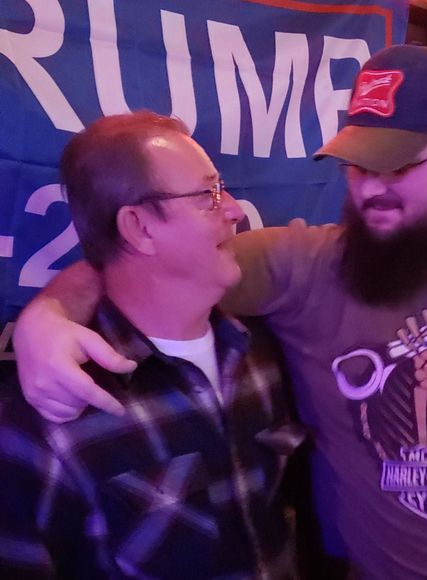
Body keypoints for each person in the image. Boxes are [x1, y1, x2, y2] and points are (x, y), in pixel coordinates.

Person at [13, 45, 427, 579]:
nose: (369, 191)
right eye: (358, 166)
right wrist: (49, 315)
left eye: (398, 167)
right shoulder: (303, 266)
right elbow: (147, 263)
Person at [1, 111, 303, 578]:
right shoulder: (51, 415)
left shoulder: (257, 353)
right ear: (139, 228)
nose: (235, 209)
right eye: (209, 195)